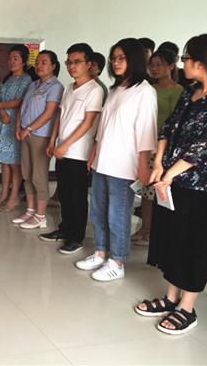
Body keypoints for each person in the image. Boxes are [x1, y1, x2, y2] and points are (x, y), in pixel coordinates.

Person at [135, 33, 207, 335]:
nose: (182, 63)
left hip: (201, 187)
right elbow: (168, 127)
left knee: (196, 242)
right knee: (174, 238)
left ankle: (187, 308)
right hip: (171, 180)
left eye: (186, 57)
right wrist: (158, 164)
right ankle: (170, 297)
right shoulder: (190, 91)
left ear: (201, 62)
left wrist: (170, 173)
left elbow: (206, 146)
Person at [75, 38, 157, 281]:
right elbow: (103, 126)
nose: (116, 62)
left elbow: (146, 132)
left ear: (134, 59)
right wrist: (94, 153)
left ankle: (117, 262)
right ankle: (102, 253)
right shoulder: (114, 89)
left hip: (124, 165)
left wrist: (143, 167)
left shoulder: (145, 91)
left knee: (117, 215)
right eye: (114, 58)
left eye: (122, 58)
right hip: (103, 161)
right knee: (98, 212)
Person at [40, 43, 103, 254]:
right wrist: (53, 141)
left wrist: (66, 145)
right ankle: (64, 229)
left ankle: (76, 237)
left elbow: (88, 123)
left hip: (79, 153)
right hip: (62, 150)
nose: (71, 66)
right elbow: (60, 115)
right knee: (65, 194)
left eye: (77, 62)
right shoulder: (69, 88)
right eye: (69, 62)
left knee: (77, 197)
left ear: (89, 64)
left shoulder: (94, 90)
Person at [132, 49, 184, 246]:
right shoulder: (149, 88)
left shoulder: (176, 90)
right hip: (145, 144)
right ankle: (144, 228)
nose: (154, 68)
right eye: (151, 65)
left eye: (159, 65)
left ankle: (153, 233)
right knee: (145, 191)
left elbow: (173, 123)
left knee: (156, 192)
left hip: (162, 148)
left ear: (171, 66)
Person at [12, 50, 64, 229]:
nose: (39, 66)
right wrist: (18, 127)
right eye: (37, 62)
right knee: (27, 174)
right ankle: (30, 211)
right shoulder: (34, 84)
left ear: (53, 66)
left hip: (40, 135)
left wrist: (28, 129)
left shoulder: (55, 87)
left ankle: (41, 216)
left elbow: (49, 113)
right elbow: (23, 107)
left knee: (39, 176)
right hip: (25, 134)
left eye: (44, 62)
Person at [0, 45, 33, 212]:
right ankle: (4, 193)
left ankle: (14, 197)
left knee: (14, 162)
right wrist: (0, 110)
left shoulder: (26, 80)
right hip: (3, 122)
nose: (12, 62)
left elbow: (21, 101)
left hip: (16, 124)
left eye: (16, 58)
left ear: (24, 61)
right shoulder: (6, 79)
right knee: (4, 162)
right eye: (9, 59)